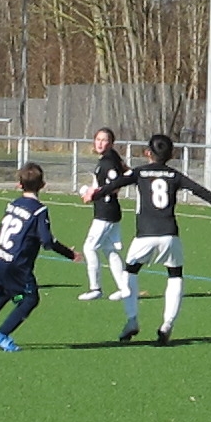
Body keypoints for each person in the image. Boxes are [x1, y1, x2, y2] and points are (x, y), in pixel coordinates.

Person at [81, 134, 211, 345]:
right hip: (169, 235)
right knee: (175, 275)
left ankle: (132, 320)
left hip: (144, 235)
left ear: (148, 153)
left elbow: (114, 184)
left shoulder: (140, 172)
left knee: (130, 272)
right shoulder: (174, 175)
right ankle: (167, 324)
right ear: (171, 154)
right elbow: (201, 191)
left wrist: (94, 194)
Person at [0, 163, 79, 351]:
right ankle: (1, 335)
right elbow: (47, 241)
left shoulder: (13, 204)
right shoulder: (39, 210)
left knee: (4, 291)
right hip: (18, 264)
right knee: (30, 299)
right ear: (43, 185)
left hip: (1, 256)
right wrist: (70, 253)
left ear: (19, 185)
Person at [80, 127, 132, 302]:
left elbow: (116, 185)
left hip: (106, 212)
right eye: (98, 139)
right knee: (110, 249)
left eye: (104, 140)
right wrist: (92, 191)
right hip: (111, 210)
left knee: (89, 247)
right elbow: (126, 172)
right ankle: (124, 288)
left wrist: (93, 194)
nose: (100, 143)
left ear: (111, 143)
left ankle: (95, 289)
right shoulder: (112, 157)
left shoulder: (108, 162)